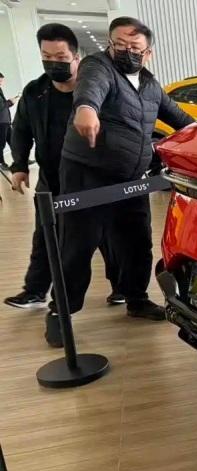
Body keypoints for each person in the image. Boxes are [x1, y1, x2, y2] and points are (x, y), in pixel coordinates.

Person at [47, 16, 193, 347]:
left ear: (148, 52)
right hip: (87, 173)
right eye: (120, 45)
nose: (127, 51)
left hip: (130, 177)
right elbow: (91, 89)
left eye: (135, 47)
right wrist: (86, 108)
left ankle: (136, 299)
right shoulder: (98, 67)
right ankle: (60, 313)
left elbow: (181, 120)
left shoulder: (151, 85)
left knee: (136, 241)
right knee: (78, 244)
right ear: (110, 45)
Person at [5, 24, 123, 310]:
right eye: (46, 57)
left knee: (108, 237)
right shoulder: (35, 92)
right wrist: (19, 165)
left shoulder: (95, 89)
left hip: (94, 180)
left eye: (60, 58)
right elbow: (21, 130)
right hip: (53, 178)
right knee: (45, 235)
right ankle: (35, 291)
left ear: (76, 57)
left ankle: (122, 288)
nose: (53, 64)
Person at [0, 73, 19, 169]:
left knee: (13, 142)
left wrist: (11, 102)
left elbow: (3, 105)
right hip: (1, 123)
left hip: (6, 121)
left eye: (1, 81)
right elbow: (1, 106)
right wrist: (10, 102)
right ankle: (1, 163)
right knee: (1, 144)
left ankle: (21, 160)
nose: (1, 83)